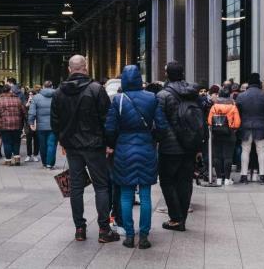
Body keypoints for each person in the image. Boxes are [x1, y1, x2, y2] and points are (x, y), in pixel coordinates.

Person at [51, 55, 119, 244]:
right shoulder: (96, 89)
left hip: (72, 146)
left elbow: (55, 122)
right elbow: (107, 119)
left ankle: (79, 229)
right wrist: (109, 143)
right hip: (94, 145)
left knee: (76, 187)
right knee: (101, 186)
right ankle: (104, 230)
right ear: (86, 67)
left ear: (69, 69)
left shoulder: (59, 92)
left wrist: (62, 141)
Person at [105, 65, 168, 249]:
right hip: (147, 148)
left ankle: (130, 235)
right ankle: (145, 235)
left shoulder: (118, 100)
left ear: (124, 79)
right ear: (140, 79)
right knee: (146, 196)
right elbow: (162, 126)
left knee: (125, 195)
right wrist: (153, 138)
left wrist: (114, 142)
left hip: (124, 149)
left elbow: (109, 128)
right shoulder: (151, 97)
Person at [156, 61, 204, 231]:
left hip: (170, 147)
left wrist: (159, 139)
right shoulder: (194, 93)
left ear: (167, 74)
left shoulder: (163, 95)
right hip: (190, 145)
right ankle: (181, 217)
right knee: (185, 181)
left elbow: (159, 123)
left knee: (167, 181)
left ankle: (175, 218)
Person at [236, 73, 264, 184]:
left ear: (249, 83)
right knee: (261, 150)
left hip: (245, 126)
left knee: (245, 150)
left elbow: (238, 113)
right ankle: (262, 175)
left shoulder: (241, 96)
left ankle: (243, 175)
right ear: (258, 82)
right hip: (261, 126)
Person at [207, 85, 241, 185]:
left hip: (216, 134)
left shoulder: (214, 106)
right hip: (229, 134)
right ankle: (226, 179)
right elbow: (238, 122)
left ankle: (218, 178)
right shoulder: (233, 106)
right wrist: (232, 128)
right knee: (228, 157)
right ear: (229, 95)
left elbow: (209, 121)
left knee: (217, 156)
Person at [0, 85, 27, 166]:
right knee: (16, 142)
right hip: (17, 125)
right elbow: (24, 112)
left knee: (7, 142)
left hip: (4, 125)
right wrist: (24, 122)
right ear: (10, 91)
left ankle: (8, 160)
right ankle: (17, 159)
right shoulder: (18, 100)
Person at [29, 80, 57, 169]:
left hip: (41, 126)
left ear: (43, 87)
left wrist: (31, 122)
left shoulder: (36, 97)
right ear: (52, 87)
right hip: (54, 125)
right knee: (52, 144)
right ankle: (50, 164)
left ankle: (45, 163)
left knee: (42, 145)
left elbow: (32, 112)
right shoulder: (57, 96)